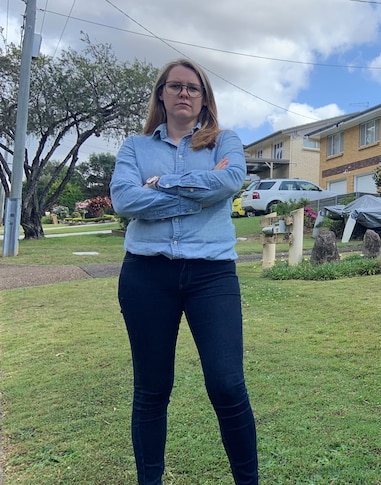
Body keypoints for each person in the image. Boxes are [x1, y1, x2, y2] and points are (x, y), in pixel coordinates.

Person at [110, 58, 258, 484]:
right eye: (175, 86)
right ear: (161, 94)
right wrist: (199, 193)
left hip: (212, 276)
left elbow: (231, 180)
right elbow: (124, 200)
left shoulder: (224, 141)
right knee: (152, 390)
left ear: (205, 98)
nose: (184, 94)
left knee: (228, 385)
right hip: (146, 276)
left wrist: (158, 184)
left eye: (193, 88)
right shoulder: (134, 148)